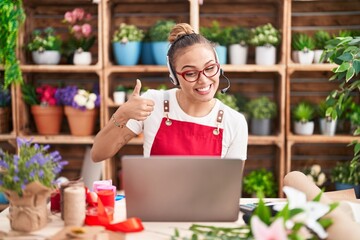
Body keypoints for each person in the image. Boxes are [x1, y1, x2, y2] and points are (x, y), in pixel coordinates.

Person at [91, 23, 248, 162]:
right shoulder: (152, 104)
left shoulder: (234, 122)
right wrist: (122, 114)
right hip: (154, 196)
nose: (204, 80)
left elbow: (229, 188)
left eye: (210, 68)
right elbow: (98, 154)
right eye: (191, 73)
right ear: (174, 77)